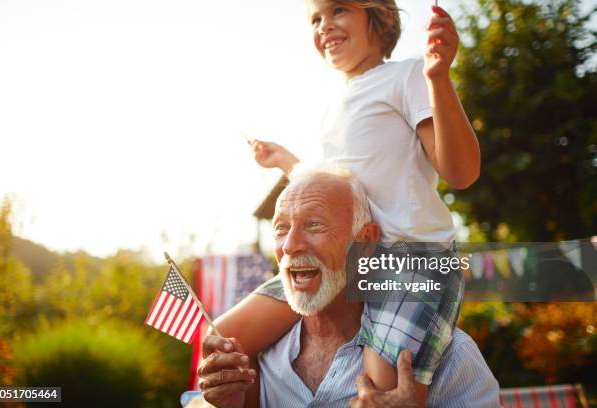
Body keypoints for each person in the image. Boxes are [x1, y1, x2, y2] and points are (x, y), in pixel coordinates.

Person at [221, 0, 480, 399]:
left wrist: (438, 77)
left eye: (339, 10)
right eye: (316, 19)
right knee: (225, 339)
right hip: (346, 257)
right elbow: (336, 189)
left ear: (380, 17)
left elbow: (461, 172)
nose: (325, 25)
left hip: (410, 259)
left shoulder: (407, 76)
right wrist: (285, 161)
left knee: (381, 391)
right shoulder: (334, 106)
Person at [198, 166, 499, 407]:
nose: (290, 246)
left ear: (365, 241)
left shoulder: (450, 357)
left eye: (314, 224)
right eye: (281, 229)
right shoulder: (253, 358)